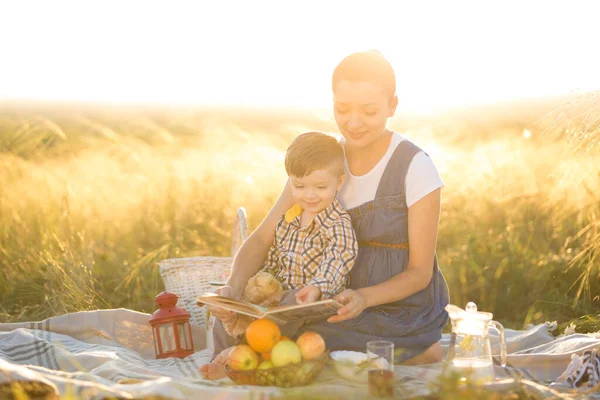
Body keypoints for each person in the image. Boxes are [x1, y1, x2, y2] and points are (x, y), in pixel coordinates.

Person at [206, 50, 449, 375]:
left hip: (390, 303)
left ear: (392, 106)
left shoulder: (415, 167)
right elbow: (264, 236)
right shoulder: (322, 162)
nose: (354, 122)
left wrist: (362, 297)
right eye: (342, 109)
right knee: (238, 324)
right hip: (324, 295)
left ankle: (418, 348)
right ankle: (256, 354)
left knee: (312, 338)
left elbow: (420, 272)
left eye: (369, 110)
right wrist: (234, 290)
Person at [201, 131, 358, 378]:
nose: (309, 195)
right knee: (232, 305)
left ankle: (243, 353)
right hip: (279, 295)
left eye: (320, 187)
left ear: (339, 182)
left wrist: (318, 286)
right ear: (289, 182)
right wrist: (248, 290)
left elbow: (340, 257)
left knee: (289, 306)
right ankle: (222, 357)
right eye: (299, 186)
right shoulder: (289, 219)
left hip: (313, 300)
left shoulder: (337, 223)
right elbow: (274, 259)